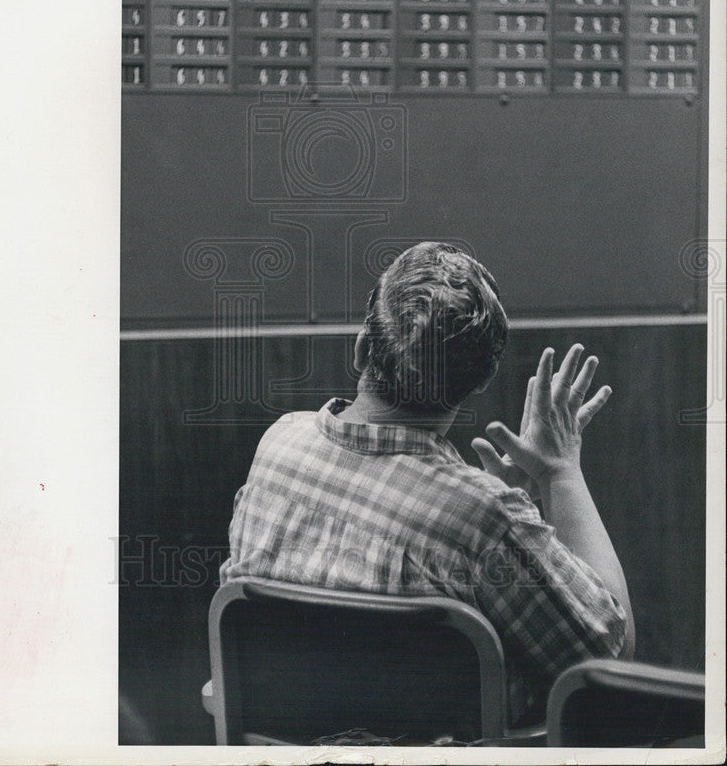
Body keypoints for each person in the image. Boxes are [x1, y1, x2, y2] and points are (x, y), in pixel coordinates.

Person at [220, 241, 635, 725]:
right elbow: (608, 660)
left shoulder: (278, 445)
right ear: (477, 382)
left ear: (360, 349)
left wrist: (488, 510)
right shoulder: (487, 520)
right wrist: (560, 472)